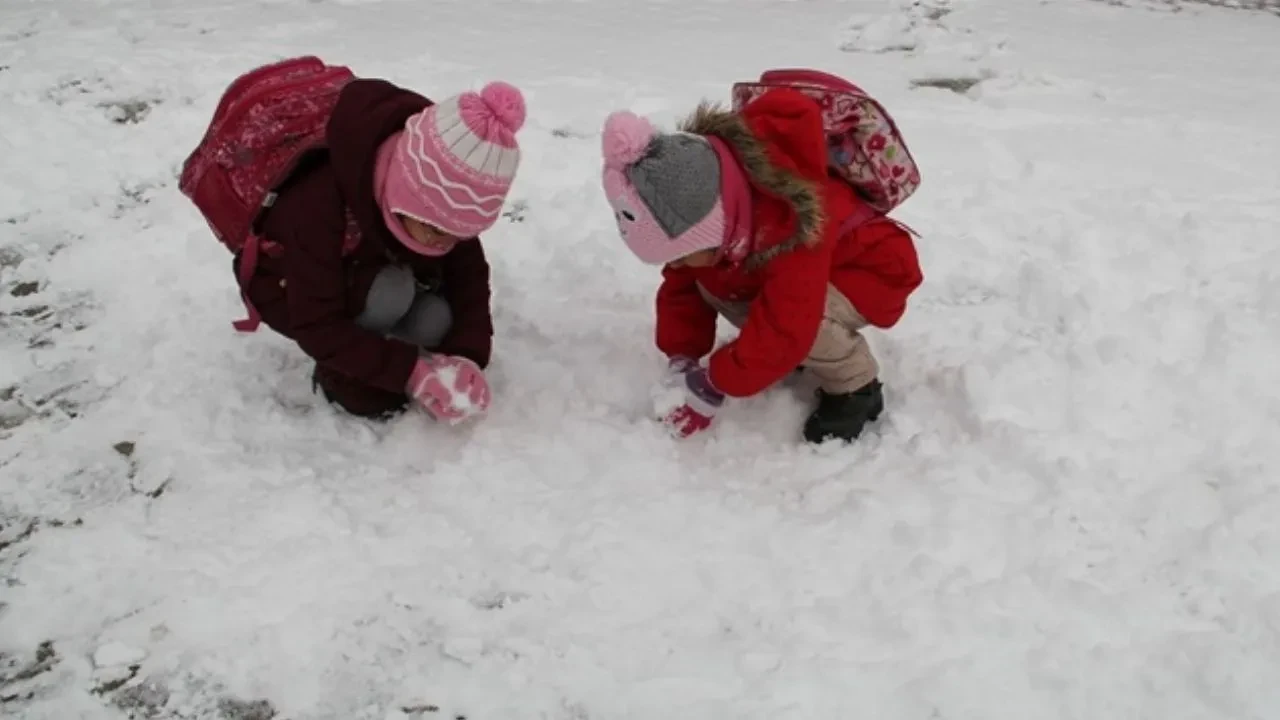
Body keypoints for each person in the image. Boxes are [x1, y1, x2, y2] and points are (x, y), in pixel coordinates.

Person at [599, 87, 923, 443]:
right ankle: (811, 354)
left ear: (712, 229)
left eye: (679, 254)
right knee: (713, 283)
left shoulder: (787, 228)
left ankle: (856, 388)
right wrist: (683, 357)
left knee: (804, 322)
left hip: (869, 272)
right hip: (815, 267)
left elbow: (787, 327)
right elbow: (683, 288)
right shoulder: (716, 217)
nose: (676, 264)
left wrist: (714, 383)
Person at [236, 78, 527, 421]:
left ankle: (373, 338)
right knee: (391, 292)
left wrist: (466, 355)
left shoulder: (441, 210)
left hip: (366, 261)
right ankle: (340, 369)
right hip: (288, 285)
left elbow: (470, 278)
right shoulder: (317, 204)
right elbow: (317, 323)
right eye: (435, 230)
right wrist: (410, 372)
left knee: (436, 322)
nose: (443, 243)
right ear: (408, 194)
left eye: (457, 235)